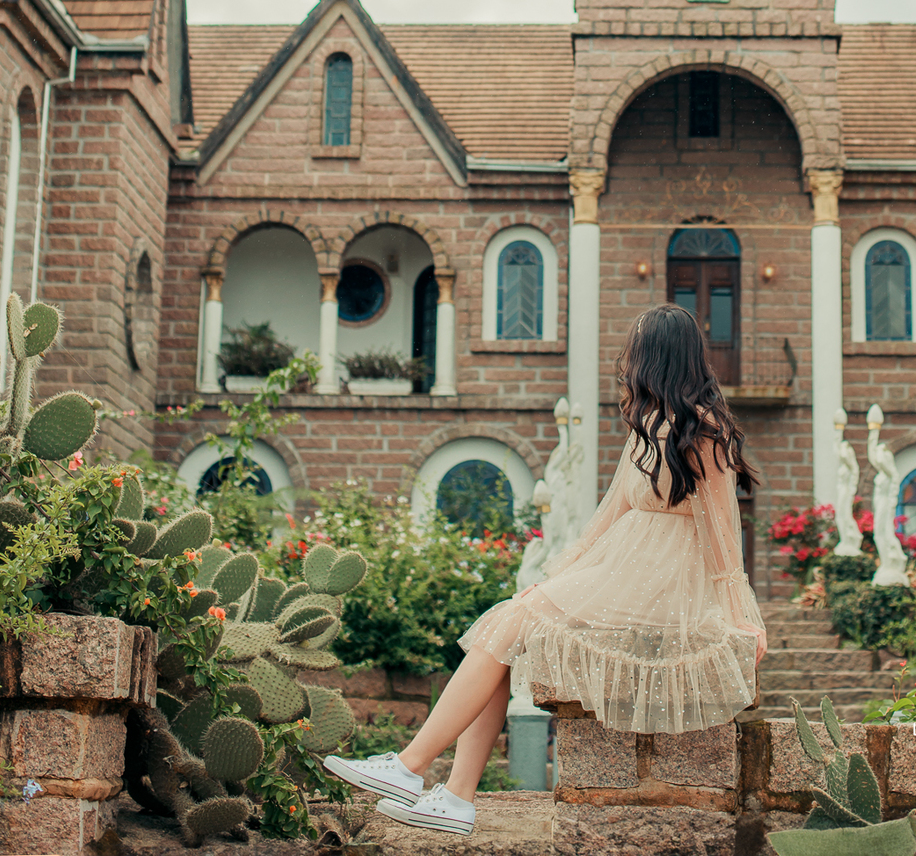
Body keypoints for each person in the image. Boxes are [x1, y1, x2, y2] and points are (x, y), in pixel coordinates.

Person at [325, 302, 767, 838]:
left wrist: (743, 613)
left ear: (657, 357)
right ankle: (454, 795)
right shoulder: (647, 426)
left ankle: (411, 769)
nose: (626, 360)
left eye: (635, 349)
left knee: (510, 622)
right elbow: (605, 521)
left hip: (668, 585)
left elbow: (723, 532)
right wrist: (555, 577)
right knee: (506, 623)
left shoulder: (706, 431)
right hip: (623, 572)